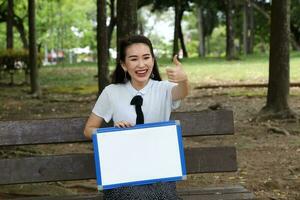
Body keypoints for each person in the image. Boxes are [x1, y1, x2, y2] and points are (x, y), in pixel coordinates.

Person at [84, 35, 189, 200]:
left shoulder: (164, 89)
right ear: (124, 65)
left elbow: (182, 92)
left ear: (153, 61)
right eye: (133, 59)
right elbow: (89, 130)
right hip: (123, 170)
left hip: (158, 169)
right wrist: (113, 132)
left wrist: (183, 80)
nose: (141, 64)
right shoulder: (111, 92)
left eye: (146, 57)